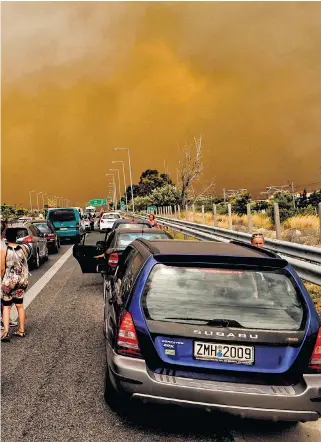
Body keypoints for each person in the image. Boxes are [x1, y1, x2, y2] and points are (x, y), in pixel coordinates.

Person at [1, 227, 31, 342]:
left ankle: (6, 332)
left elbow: (2, 269)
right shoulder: (22, 248)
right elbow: (24, 263)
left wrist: (3, 280)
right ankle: (21, 330)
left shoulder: (4, 250)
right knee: (20, 305)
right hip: (21, 280)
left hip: (9, 280)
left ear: (6, 237)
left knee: (7, 306)